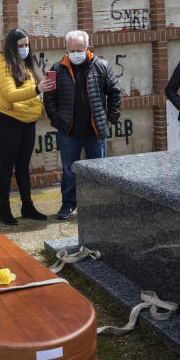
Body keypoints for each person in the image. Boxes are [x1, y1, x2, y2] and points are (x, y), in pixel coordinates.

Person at [43, 30, 122, 220]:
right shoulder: (56, 69)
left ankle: (97, 206)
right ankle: (68, 205)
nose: (76, 53)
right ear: (67, 49)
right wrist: (57, 121)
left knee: (98, 172)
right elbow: (49, 98)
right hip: (69, 132)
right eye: (72, 50)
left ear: (87, 47)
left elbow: (115, 92)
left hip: (95, 131)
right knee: (69, 171)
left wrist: (110, 119)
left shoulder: (101, 66)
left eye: (80, 49)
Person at [0, 28, 55, 225]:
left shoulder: (25, 65)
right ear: (11, 46)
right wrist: (37, 88)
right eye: (21, 46)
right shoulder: (2, 65)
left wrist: (44, 93)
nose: (25, 49)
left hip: (27, 121)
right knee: (7, 165)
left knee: (24, 166)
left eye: (27, 45)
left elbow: (31, 93)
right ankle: (4, 209)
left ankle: (27, 206)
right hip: (6, 120)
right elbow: (10, 94)